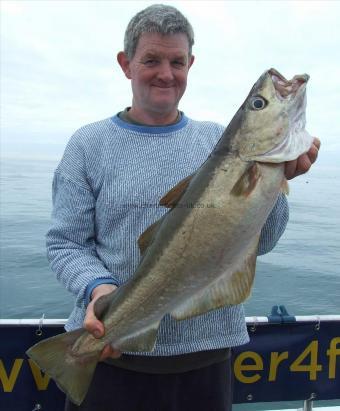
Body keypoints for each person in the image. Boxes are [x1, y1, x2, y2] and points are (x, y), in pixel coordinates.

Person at [46, 4, 320, 411]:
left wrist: (278, 183)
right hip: (110, 352)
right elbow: (66, 244)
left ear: (191, 64)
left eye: (177, 61)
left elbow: (257, 244)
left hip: (205, 361)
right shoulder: (88, 145)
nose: (166, 73)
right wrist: (98, 288)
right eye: (151, 60)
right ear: (126, 64)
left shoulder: (215, 141)